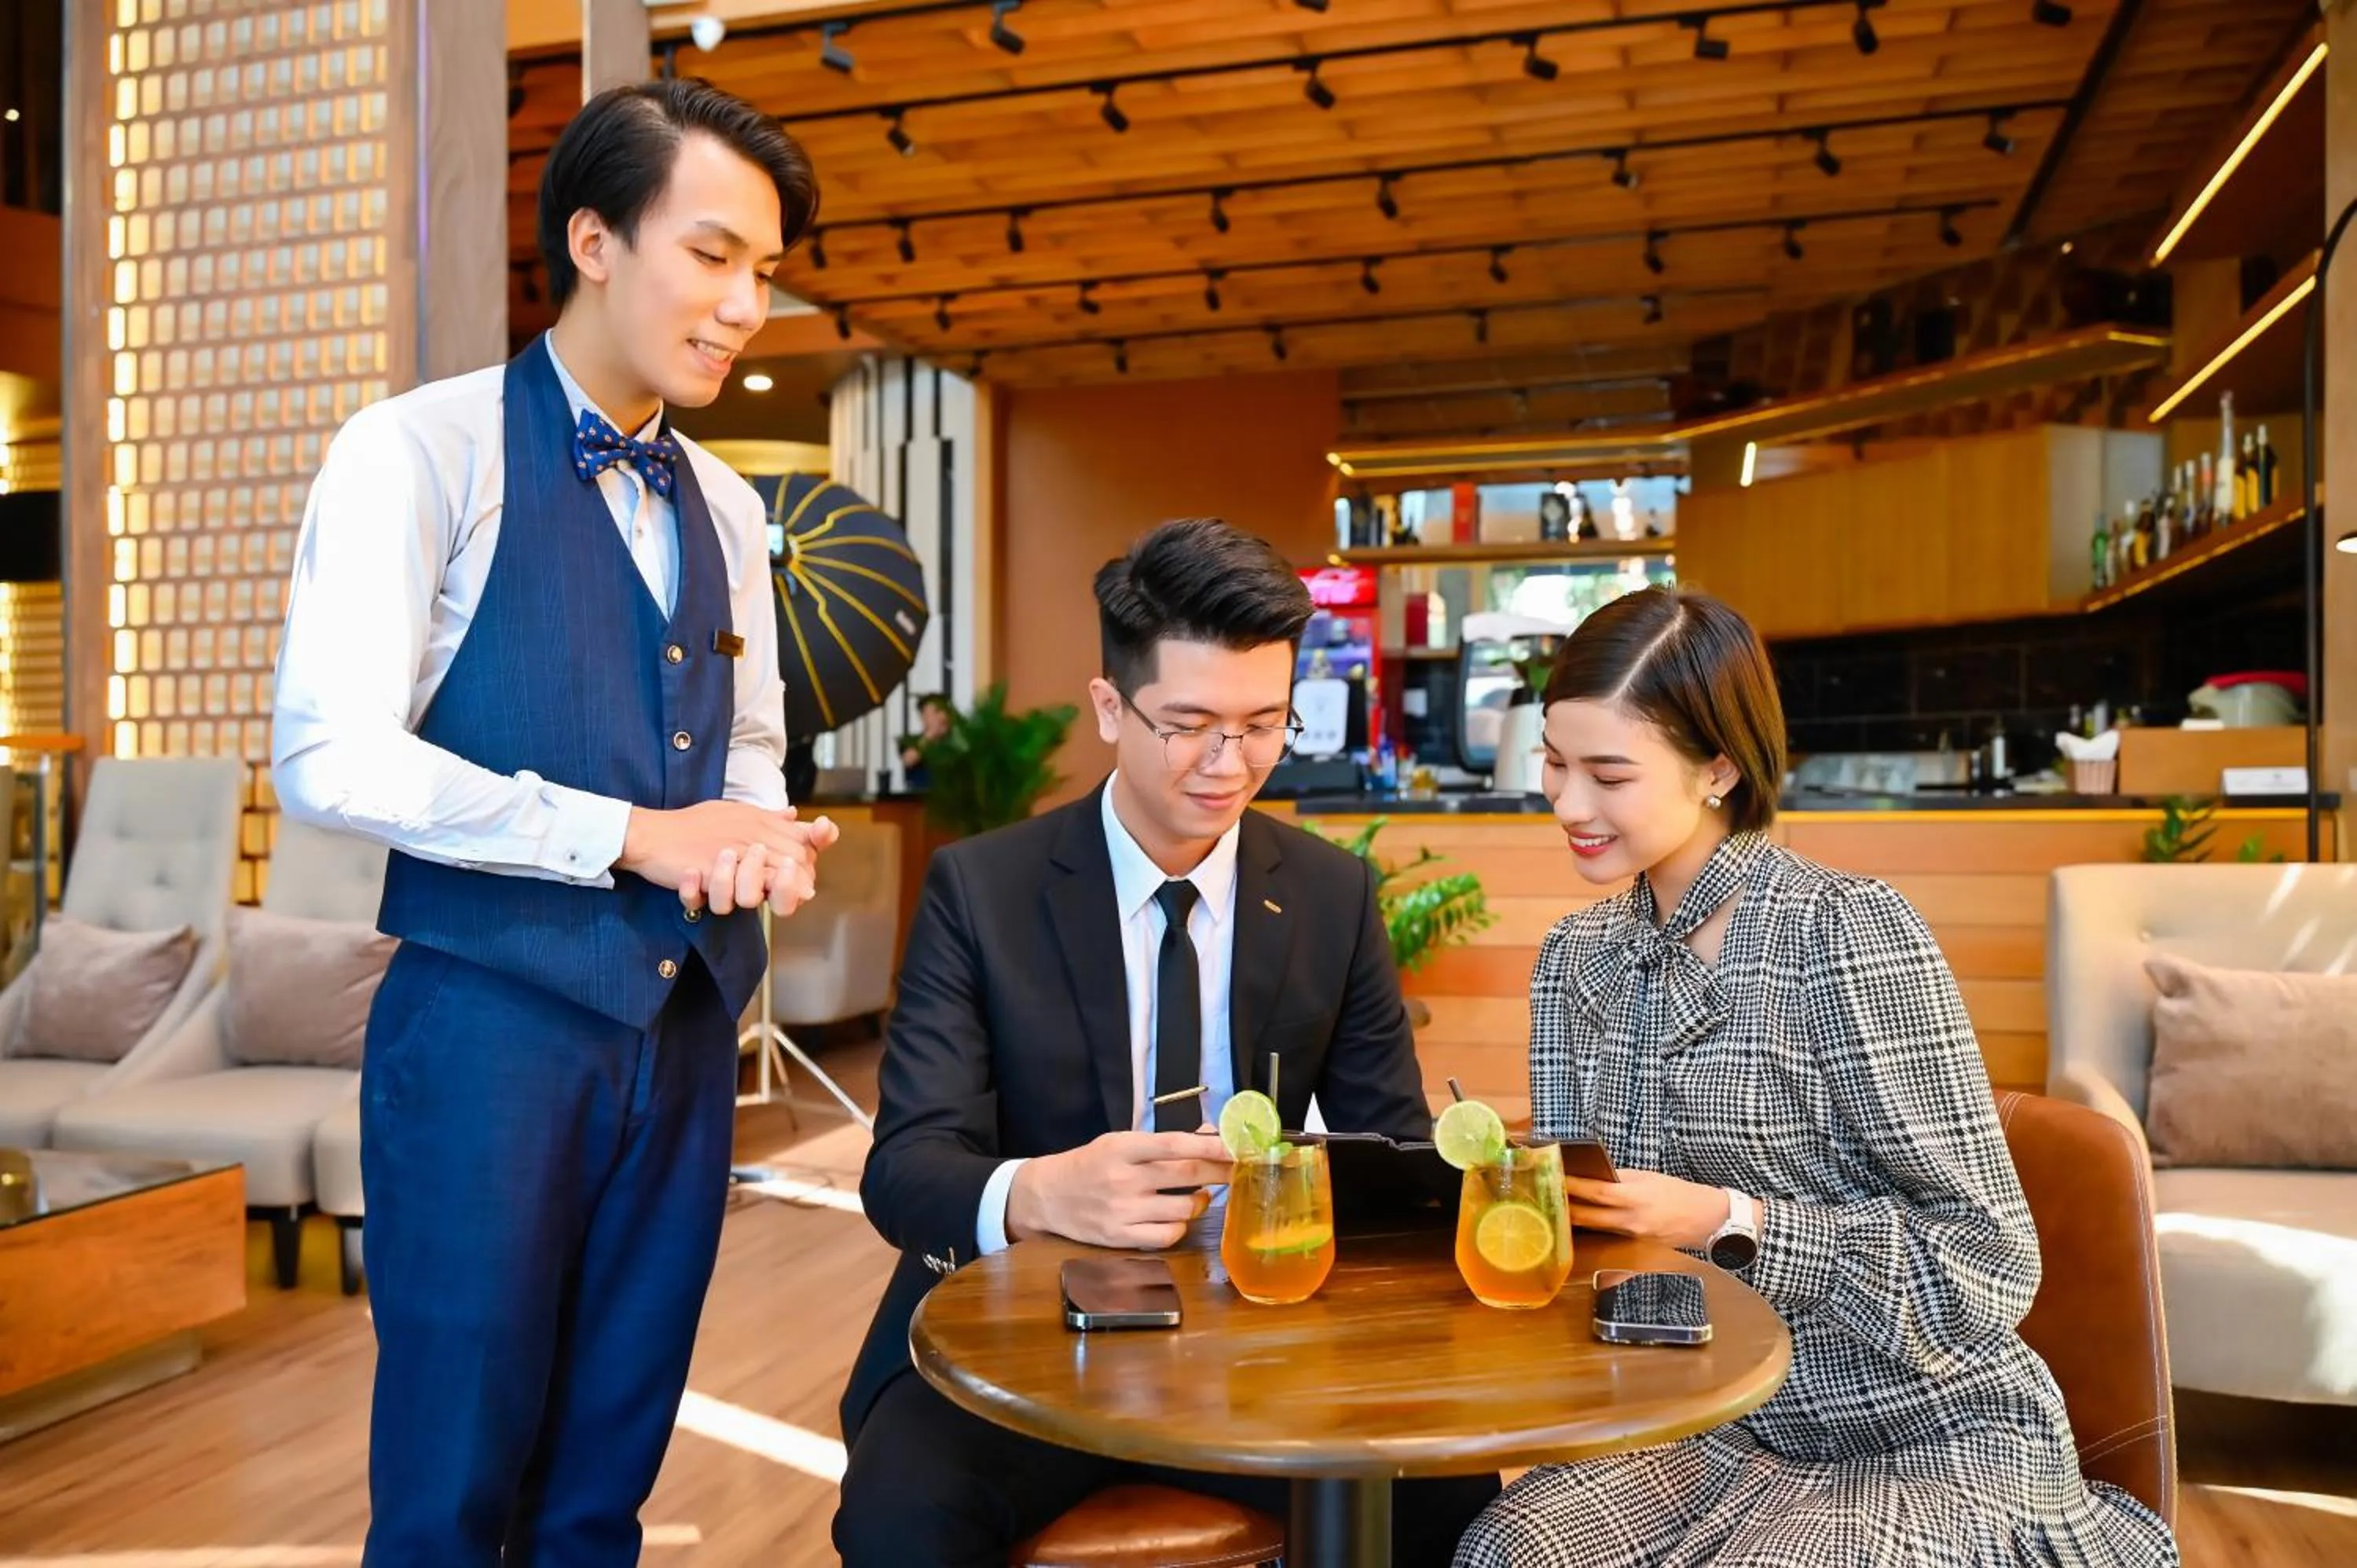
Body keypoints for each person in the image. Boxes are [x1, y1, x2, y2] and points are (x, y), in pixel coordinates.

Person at [271, 80, 834, 1566]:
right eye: (714, 255)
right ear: (593, 237)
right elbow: (330, 759)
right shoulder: (418, 453)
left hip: (688, 1029)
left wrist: (760, 832)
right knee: (455, 1482)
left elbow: (753, 734)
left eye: (766, 273)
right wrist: (632, 835)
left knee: (606, 1478)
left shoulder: (725, 503)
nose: (747, 305)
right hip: (486, 1030)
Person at [1453, 588, 2177, 1568]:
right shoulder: (1575, 960)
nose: (1567, 802)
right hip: (1695, 1426)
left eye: (1607, 772)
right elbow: (1594, 1244)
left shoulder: (1844, 933)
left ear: (1718, 767)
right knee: (1511, 1547)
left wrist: (1726, 1219)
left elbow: (1988, 1262)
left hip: (1924, 1430)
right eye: (1553, 761)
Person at [833, 518, 1498, 1567]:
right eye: (1188, 725)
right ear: (1111, 707)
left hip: (1263, 1332)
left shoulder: (1330, 895)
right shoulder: (984, 890)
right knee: (901, 1513)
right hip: (1024, 1332)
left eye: (1264, 724)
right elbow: (905, 1170)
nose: (1228, 765)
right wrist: (1047, 1193)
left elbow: (1397, 1156)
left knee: (1450, 1500)